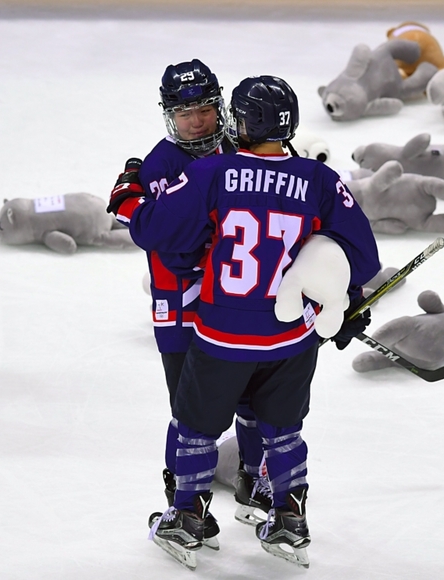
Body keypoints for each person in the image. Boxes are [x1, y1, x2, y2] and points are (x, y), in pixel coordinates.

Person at [108, 75, 380, 569]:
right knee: (283, 428)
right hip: (290, 336)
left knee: (194, 425)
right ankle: (288, 519)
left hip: (221, 334)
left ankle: (187, 518)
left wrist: (131, 198)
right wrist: (340, 297)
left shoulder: (215, 171)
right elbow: (361, 260)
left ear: (237, 121)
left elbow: (162, 232)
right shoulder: (320, 180)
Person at [112, 59, 271, 544]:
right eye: (185, 114)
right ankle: (181, 498)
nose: (197, 122)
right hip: (180, 306)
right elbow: (158, 236)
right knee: (189, 408)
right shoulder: (159, 164)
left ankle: (252, 477)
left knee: (252, 395)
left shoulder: (239, 148)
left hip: (234, 303)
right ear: (169, 116)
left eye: (204, 109)